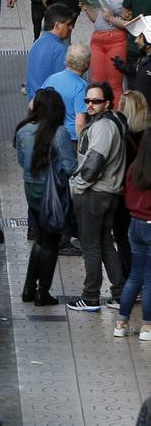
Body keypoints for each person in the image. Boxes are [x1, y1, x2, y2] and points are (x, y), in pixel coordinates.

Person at [69, 79, 128, 311]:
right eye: (88, 100)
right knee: (104, 243)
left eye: (96, 101)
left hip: (95, 194)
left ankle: (91, 296)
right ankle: (119, 291)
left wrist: (78, 185)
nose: (90, 105)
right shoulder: (110, 122)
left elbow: (95, 162)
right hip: (107, 193)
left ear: (107, 102)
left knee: (91, 246)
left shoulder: (104, 127)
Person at [16, 87, 78, 306]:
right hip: (51, 194)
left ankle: (28, 288)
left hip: (30, 189)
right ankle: (43, 292)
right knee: (50, 241)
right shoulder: (59, 133)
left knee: (41, 239)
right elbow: (70, 167)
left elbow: (22, 161)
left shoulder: (23, 130)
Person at [116, 113, 151, 337]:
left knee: (135, 276)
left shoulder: (134, 169)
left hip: (134, 224)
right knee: (149, 280)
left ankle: (121, 322)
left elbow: (126, 194)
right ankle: (148, 325)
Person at [84, 0, 130, 105]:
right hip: (97, 40)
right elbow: (97, 19)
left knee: (114, 84)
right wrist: (87, 9)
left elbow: (128, 23)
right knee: (96, 82)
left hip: (116, 40)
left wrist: (111, 17)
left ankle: (115, 116)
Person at [40, 42, 91, 145]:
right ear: (87, 64)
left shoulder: (52, 78)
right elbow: (80, 122)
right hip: (70, 137)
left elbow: (34, 104)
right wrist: (83, 145)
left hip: (49, 132)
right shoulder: (81, 86)